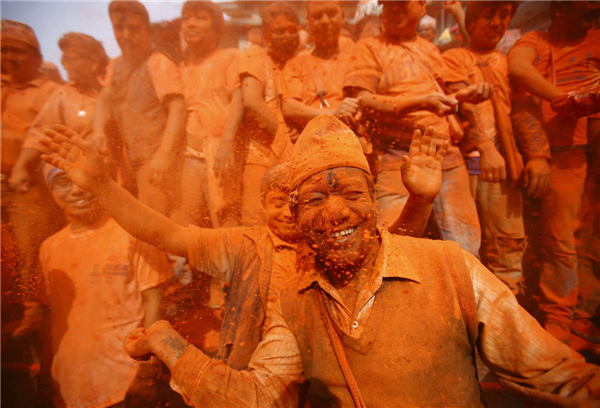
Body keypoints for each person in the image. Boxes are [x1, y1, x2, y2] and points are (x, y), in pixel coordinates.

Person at [111, 115, 600, 408]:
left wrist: (422, 201)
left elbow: (561, 379)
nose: (336, 211)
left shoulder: (452, 270)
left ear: (373, 202)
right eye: (313, 202)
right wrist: (165, 341)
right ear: (294, 216)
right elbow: (256, 398)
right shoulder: (294, 302)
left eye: (350, 192)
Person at [39, 119, 446, 371]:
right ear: (261, 205)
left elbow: (392, 249)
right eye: (275, 200)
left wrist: (421, 199)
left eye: (297, 200)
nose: (287, 211)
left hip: (331, 375)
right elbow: (165, 234)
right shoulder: (242, 245)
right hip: (254, 378)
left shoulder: (332, 242)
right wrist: (100, 185)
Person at [344, 0, 491, 256]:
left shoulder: (431, 49)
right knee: (392, 247)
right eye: (389, 5)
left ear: (421, 7)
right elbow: (363, 101)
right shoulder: (368, 47)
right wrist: (421, 102)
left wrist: (463, 97)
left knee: (466, 249)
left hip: (446, 156)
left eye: (402, 4)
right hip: (397, 157)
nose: (394, 9)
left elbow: (441, 98)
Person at [35, 164, 171, 408]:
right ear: (51, 190)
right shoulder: (49, 248)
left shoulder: (133, 233)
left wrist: (148, 371)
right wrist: (46, 373)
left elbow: (155, 301)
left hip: (124, 385)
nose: (76, 190)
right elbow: (49, 319)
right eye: (63, 182)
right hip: (68, 390)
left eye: (83, 181)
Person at [508, 0, 600, 343]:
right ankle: (550, 314)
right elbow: (518, 68)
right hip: (539, 152)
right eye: (586, 6)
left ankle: (564, 320)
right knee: (540, 239)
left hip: (579, 154)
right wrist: (562, 99)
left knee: (569, 239)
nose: (593, 12)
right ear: (561, 8)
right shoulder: (536, 39)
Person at [442, 1, 525, 295]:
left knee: (507, 244)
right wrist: (487, 148)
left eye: (504, 16)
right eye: (489, 15)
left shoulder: (506, 61)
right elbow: (463, 104)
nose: (497, 22)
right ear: (472, 22)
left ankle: (509, 315)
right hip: (469, 166)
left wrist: (535, 156)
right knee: (468, 248)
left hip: (505, 166)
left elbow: (522, 111)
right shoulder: (455, 57)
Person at [94, 0, 186, 216]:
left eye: (133, 29)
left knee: (154, 222)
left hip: (154, 162)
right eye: (119, 28)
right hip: (126, 161)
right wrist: (98, 130)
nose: (126, 35)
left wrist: (163, 155)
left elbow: (178, 108)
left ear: (147, 29)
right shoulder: (116, 64)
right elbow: (104, 99)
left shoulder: (157, 62)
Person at [1, 19, 62, 301]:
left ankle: (31, 312)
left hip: (27, 186)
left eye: (18, 51)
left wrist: (22, 167)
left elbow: (47, 134)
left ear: (36, 57)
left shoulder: (49, 90)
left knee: (28, 248)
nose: (10, 57)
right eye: (4, 50)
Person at [10, 33, 109, 195]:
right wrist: (21, 166)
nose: (65, 66)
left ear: (93, 62)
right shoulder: (63, 94)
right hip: (81, 182)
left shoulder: (114, 91)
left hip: (116, 178)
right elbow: (40, 133)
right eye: (64, 60)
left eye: (70, 60)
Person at [176, 0, 243, 228]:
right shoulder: (181, 69)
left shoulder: (229, 56)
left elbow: (238, 100)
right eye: (186, 19)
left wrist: (226, 141)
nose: (191, 24)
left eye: (200, 18)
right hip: (189, 157)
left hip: (221, 152)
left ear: (216, 28)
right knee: (189, 223)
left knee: (227, 219)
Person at [238, 2, 297, 226]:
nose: (284, 36)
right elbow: (252, 102)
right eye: (277, 31)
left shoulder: (293, 61)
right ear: (265, 34)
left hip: (288, 154)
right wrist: (282, 134)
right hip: (260, 153)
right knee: (256, 222)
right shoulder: (255, 55)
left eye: (289, 30)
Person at [282, 1, 360, 137]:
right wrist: (332, 114)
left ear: (342, 17)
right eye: (317, 16)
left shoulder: (357, 60)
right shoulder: (295, 64)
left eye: (331, 14)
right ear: (308, 21)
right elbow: (288, 107)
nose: (324, 21)